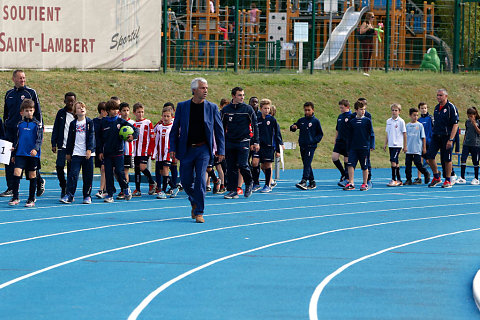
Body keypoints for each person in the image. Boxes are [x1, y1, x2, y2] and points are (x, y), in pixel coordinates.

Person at [169, 78, 225, 223]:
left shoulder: (212, 107)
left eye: (206, 88)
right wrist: (173, 148)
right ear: (194, 90)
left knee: (200, 179)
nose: (205, 90)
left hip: (203, 149)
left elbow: (219, 131)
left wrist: (221, 150)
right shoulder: (182, 106)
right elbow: (174, 130)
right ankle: (194, 200)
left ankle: (199, 211)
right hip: (186, 149)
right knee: (186, 181)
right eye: (202, 88)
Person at [2, 70, 44, 198]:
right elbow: (6, 113)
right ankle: (11, 188)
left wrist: (39, 129)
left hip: (27, 131)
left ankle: (39, 181)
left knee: (30, 159)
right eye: (20, 78)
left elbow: (38, 113)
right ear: (13, 79)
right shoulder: (8, 94)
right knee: (10, 160)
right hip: (11, 132)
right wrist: (7, 125)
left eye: (24, 78)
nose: (23, 80)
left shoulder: (30, 93)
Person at [221, 87, 259, 199]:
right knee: (231, 167)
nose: (242, 97)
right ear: (233, 96)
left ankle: (249, 182)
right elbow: (221, 127)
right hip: (230, 141)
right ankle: (232, 190)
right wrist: (221, 142)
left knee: (243, 165)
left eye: (243, 95)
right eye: (239, 95)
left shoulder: (248, 109)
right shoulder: (226, 110)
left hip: (244, 141)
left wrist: (255, 141)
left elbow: (255, 125)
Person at [97, 99, 138, 202]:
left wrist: (132, 136)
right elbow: (99, 139)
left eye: (116, 109)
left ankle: (125, 188)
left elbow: (135, 130)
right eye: (112, 109)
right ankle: (110, 194)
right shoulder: (103, 122)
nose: (115, 111)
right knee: (109, 173)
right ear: (107, 111)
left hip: (119, 152)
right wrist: (100, 151)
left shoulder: (121, 121)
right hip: (107, 153)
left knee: (120, 172)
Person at [9, 99, 43, 207]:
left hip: (32, 155)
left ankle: (31, 198)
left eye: (31, 110)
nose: (29, 112)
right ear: (21, 112)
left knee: (32, 175)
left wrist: (36, 149)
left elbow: (39, 139)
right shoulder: (19, 124)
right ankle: (15, 197)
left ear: (33, 111)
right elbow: (17, 140)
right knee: (16, 173)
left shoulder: (37, 125)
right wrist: (13, 153)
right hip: (20, 154)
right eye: (26, 110)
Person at [61, 101, 95, 204]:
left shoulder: (89, 122)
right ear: (75, 112)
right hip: (76, 153)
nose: (82, 109)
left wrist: (89, 149)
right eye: (79, 108)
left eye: (83, 107)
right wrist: (68, 152)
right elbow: (70, 139)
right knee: (73, 174)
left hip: (88, 154)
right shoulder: (73, 124)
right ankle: (69, 195)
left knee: (88, 175)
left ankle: (87, 196)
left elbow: (91, 136)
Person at [426, 89, 459, 188]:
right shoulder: (436, 108)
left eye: (440, 95)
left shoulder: (451, 107)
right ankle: (436, 176)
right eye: (437, 95)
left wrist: (451, 139)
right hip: (436, 136)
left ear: (445, 96)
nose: (438, 97)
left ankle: (448, 180)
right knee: (429, 156)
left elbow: (455, 124)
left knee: (447, 159)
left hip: (446, 136)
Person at [290, 102, 323, 190]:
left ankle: (304, 181)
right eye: (305, 110)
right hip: (303, 145)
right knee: (306, 163)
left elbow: (320, 134)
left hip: (311, 146)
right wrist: (293, 127)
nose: (307, 112)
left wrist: (313, 141)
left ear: (313, 110)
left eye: (309, 110)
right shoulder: (302, 120)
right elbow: (295, 126)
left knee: (307, 163)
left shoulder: (315, 121)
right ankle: (312, 181)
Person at [343, 101, 375, 191]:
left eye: (364, 109)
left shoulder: (367, 121)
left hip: (364, 147)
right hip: (353, 147)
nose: (363, 111)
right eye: (361, 109)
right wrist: (348, 147)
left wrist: (372, 145)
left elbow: (371, 134)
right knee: (350, 165)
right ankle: (351, 183)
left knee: (364, 166)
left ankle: (365, 183)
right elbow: (349, 136)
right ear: (356, 110)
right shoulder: (352, 122)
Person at [51, 92, 76, 199]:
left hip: (73, 147)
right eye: (68, 101)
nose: (70, 103)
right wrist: (53, 142)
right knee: (59, 167)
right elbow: (56, 128)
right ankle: (63, 186)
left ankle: (69, 190)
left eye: (72, 101)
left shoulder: (78, 114)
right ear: (64, 101)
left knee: (71, 170)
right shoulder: (61, 113)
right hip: (62, 145)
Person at [257, 99, 283, 193]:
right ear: (261, 109)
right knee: (260, 165)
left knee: (268, 165)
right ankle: (265, 182)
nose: (267, 110)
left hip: (269, 146)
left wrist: (278, 149)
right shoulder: (257, 119)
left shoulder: (272, 120)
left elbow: (277, 134)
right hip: (259, 146)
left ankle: (267, 185)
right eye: (265, 108)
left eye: (268, 108)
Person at [131, 103, 156, 196]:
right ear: (134, 113)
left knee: (142, 167)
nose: (140, 114)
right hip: (135, 150)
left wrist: (151, 150)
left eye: (142, 112)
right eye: (138, 112)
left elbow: (152, 137)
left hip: (144, 150)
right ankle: (137, 190)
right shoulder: (132, 123)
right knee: (137, 170)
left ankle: (152, 182)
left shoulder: (148, 123)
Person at [153, 106, 177, 199]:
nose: (166, 118)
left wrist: (174, 150)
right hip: (160, 153)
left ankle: (163, 190)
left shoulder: (173, 127)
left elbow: (176, 139)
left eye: (168, 116)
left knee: (166, 169)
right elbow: (156, 140)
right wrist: (155, 152)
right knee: (162, 172)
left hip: (168, 152)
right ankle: (174, 187)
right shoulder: (159, 127)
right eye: (164, 116)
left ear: (172, 117)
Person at [404, 108, 430, 185]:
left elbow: (423, 137)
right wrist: (404, 146)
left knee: (418, 163)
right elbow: (405, 136)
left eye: (417, 115)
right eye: (414, 115)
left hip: (417, 148)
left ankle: (426, 173)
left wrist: (424, 148)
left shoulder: (420, 125)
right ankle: (408, 179)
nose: (415, 117)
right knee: (407, 165)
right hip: (409, 148)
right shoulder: (407, 125)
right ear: (410, 116)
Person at [384, 103, 407, 186]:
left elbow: (404, 134)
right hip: (391, 144)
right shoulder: (388, 121)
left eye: (396, 110)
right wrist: (385, 144)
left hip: (398, 144)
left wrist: (405, 146)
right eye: (393, 110)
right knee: (395, 162)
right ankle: (399, 180)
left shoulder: (401, 121)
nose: (394, 112)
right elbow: (387, 133)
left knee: (393, 161)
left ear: (399, 112)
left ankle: (394, 179)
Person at [115, 102, 135, 199]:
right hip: (117, 151)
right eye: (124, 110)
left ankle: (125, 190)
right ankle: (124, 187)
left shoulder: (132, 123)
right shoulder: (117, 122)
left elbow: (136, 134)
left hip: (128, 151)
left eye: (127, 110)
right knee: (116, 172)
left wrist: (132, 137)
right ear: (120, 112)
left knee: (124, 172)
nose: (126, 112)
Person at [456, 107, 480, 185]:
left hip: (475, 144)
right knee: (463, 159)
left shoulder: (478, 122)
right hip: (467, 144)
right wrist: (464, 142)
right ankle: (462, 177)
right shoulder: (467, 122)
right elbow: (466, 132)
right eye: (468, 116)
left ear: (475, 115)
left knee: (475, 161)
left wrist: (474, 124)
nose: (470, 118)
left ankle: (476, 178)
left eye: (471, 116)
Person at [332, 99, 352, 187]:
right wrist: (335, 139)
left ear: (347, 107)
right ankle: (343, 173)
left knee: (346, 159)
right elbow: (337, 129)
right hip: (339, 140)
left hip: (347, 141)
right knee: (334, 157)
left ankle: (347, 178)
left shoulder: (351, 116)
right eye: (340, 108)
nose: (341, 109)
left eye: (342, 108)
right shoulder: (340, 117)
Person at [416, 102, 433, 184]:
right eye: (422, 108)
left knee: (429, 159)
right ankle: (419, 177)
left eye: (425, 108)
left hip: (429, 141)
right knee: (419, 159)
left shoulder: (430, 118)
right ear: (419, 109)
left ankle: (436, 172)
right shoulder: (418, 120)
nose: (424, 110)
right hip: (420, 142)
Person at [93, 102, 107, 198]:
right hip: (96, 148)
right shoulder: (94, 121)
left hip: (105, 148)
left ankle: (101, 190)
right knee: (102, 169)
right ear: (102, 111)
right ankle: (106, 189)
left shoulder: (108, 122)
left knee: (103, 168)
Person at [358, 12, 376, 76]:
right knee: (366, 55)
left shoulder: (371, 24)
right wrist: (368, 28)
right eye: (372, 17)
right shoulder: (365, 23)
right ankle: (364, 70)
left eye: (373, 17)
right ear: (369, 17)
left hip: (371, 41)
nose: (373, 18)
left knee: (369, 56)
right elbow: (361, 31)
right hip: (365, 41)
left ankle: (367, 70)